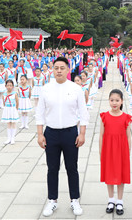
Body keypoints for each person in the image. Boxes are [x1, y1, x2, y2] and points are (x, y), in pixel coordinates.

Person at [36, 57, 88, 217]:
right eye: (56, 68)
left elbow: (83, 113)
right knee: (52, 168)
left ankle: (75, 199)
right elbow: (39, 113)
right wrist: (40, 134)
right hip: (51, 133)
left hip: (70, 133)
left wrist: (82, 133)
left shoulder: (75, 88)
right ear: (53, 69)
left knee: (72, 168)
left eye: (62, 68)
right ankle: (52, 200)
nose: (59, 70)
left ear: (68, 70)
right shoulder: (46, 89)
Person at [100, 89, 132, 216]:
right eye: (112, 100)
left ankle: (119, 200)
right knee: (109, 173)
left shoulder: (126, 117)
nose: (114, 103)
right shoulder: (104, 116)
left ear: (122, 101)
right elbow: (101, 135)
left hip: (121, 150)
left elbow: (128, 137)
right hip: (108, 149)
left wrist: (128, 152)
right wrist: (101, 152)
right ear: (109, 101)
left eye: (117, 100)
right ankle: (111, 199)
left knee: (121, 175)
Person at [1, 80, 20, 144]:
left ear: (13, 86)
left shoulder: (14, 94)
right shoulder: (4, 94)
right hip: (7, 109)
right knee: (8, 123)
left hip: (13, 109)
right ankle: (9, 138)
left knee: (13, 123)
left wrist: (15, 109)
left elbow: (17, 102)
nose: (9, 87)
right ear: (5, 86)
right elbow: (4, 103)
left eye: (10, 85)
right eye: (8, 85)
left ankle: (13, 138)